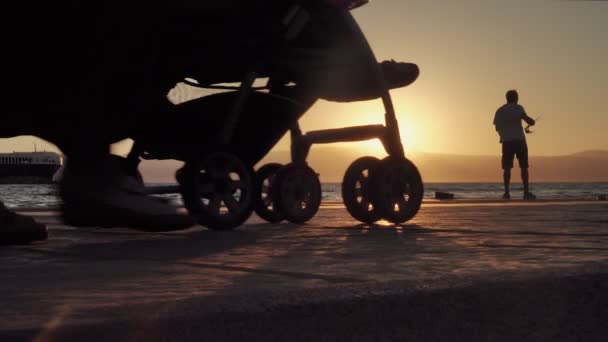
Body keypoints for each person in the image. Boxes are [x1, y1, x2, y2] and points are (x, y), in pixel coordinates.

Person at [493, 90, 537, 200]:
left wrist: (504, 134)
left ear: (506, 98)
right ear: (516, 98)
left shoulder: (500, 110)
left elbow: (496, 127)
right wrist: (532, 122)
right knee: (523, 167)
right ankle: (526, 193)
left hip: (506, 141)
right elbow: (529, 121)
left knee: (507, 168)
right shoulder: (519, 108)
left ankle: (507, 193)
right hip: (519, 140)